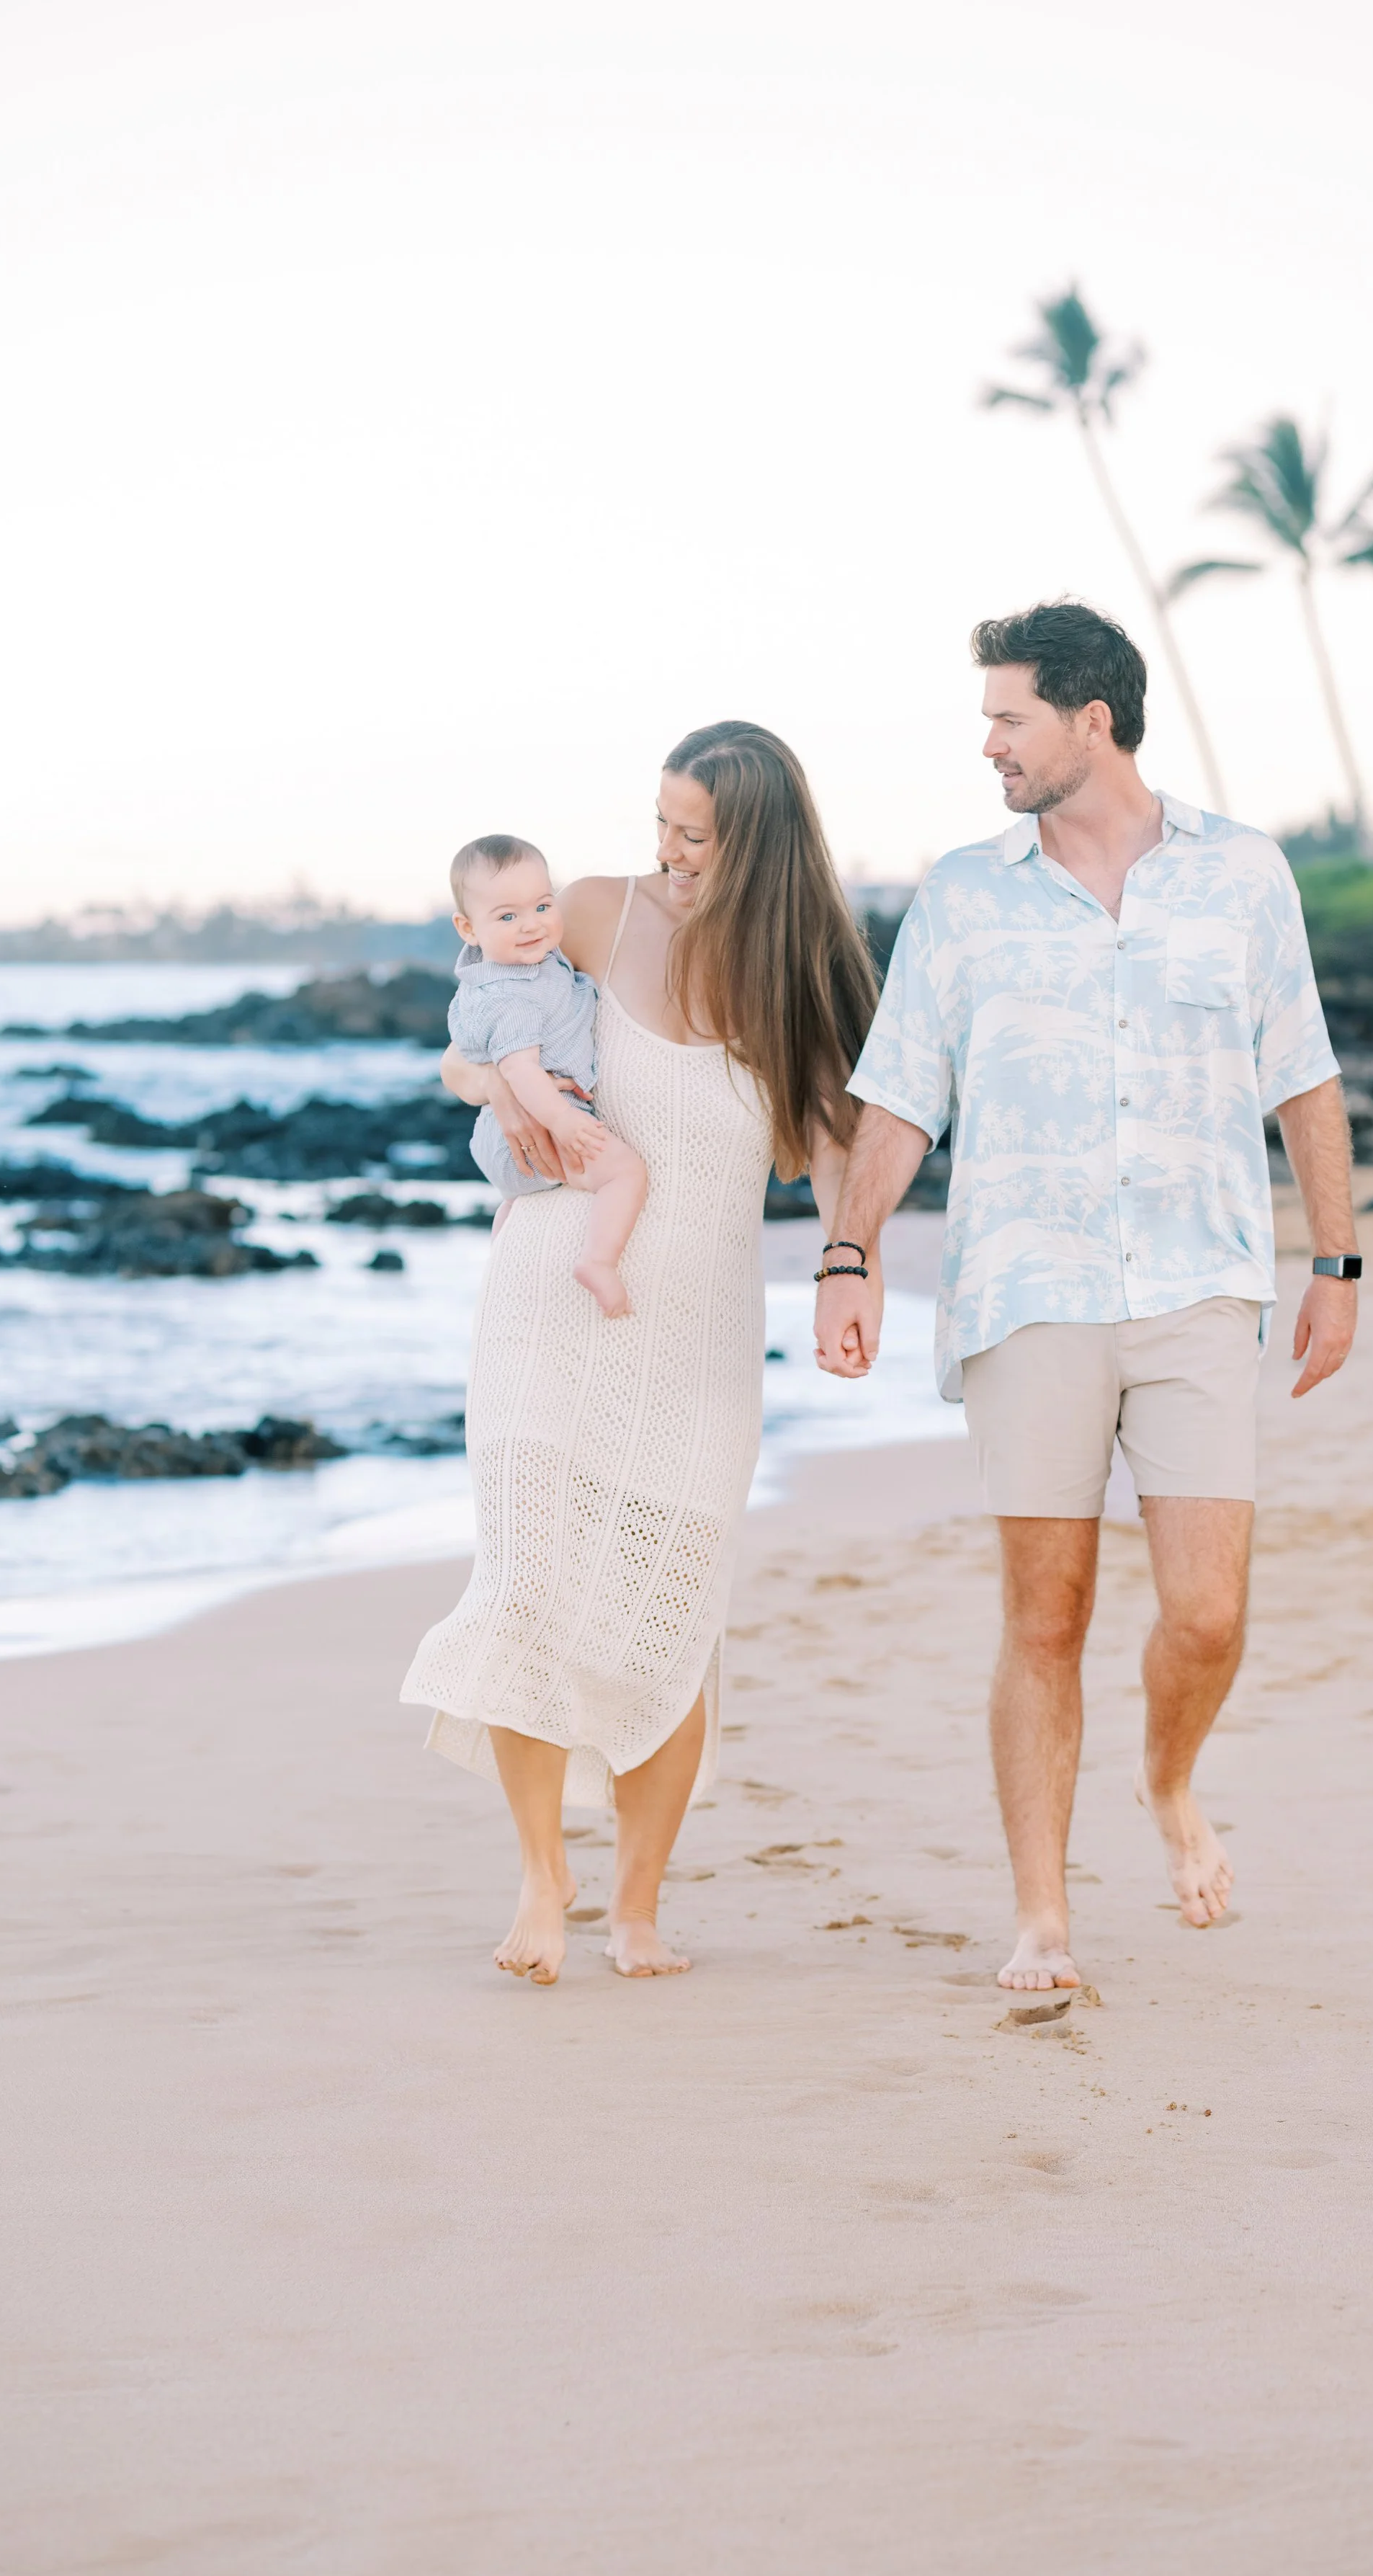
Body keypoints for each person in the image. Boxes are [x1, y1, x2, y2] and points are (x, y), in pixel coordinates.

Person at [814, 600, 1358, 1993]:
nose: (988, 743)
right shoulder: (962, 895)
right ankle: (1043, 1920)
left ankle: (1168, 1779)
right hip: (1028, 1288)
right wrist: (849, 1253)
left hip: (1200, 1283)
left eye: (1010, 717)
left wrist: (1337, 1265)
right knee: (1045, 1616)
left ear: (1091, 720)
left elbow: (1302, 1073)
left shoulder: (1242, 874)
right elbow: (901, 1092)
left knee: (1207, 1614)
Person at [403, 723, 877, 1984]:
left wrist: (849, 1268)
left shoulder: (802, 976)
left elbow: (837, 1146)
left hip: (697, 1334)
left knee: (667, 1618)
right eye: (661, 822)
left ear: (760, 844)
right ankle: (541, 1877)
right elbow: (468, 1041)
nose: (668, 852)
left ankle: (637, 1904)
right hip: (548, 1299)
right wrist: (503, 1094)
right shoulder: (598, 914)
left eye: (695, 835)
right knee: (527, 1587)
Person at [445, 832, 648, 1316]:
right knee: (624, 1172)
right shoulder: (513, 998)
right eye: (508, 917)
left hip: (498, 1137)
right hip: (538, 1125)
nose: (531, 925)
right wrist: (564, 1121)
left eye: (542, 906)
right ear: (468, 929)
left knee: (516, 1203)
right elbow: (520, 1070)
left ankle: (502, 1259)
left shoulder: (513, 966)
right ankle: (599, 1262)